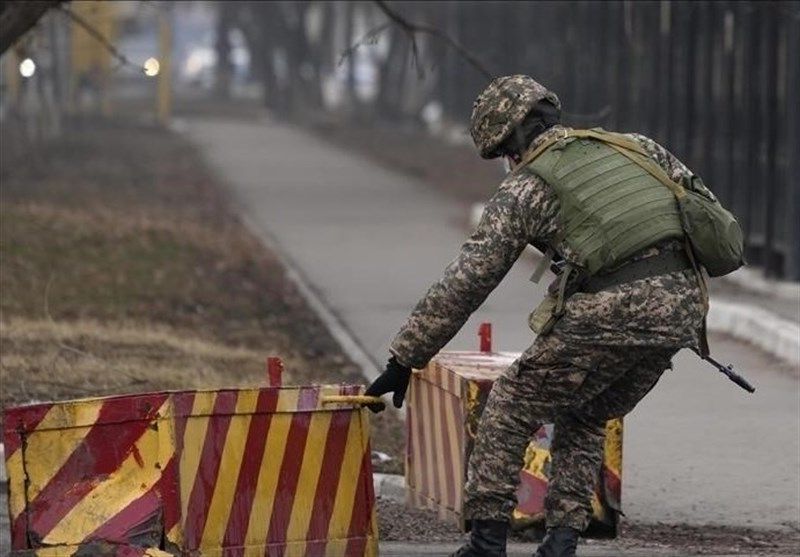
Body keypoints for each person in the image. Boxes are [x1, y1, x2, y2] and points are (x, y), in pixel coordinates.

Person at [365, 75, 710, 557]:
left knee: (507, 408)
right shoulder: (636, 147)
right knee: (588, 413)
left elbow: (468, 279)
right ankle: (561, 543)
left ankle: (486, 542)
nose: (508, 162)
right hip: (685, 310)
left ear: (515, 141)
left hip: (609, 311)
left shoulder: (527, 187)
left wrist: (406, 358)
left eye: (505, 152)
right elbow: (700, 207)